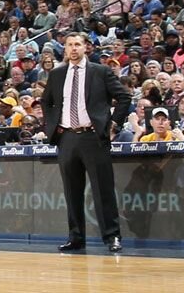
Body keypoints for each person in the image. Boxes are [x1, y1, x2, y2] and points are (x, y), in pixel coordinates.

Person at [43, 31, 132, 253]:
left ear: (86, 48)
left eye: (77, 44)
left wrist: (113, 125)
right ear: (65, 49)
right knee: (71, 191)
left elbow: (124, 97)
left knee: (103, 189)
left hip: (93, 136)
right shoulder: (57, 74)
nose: (73, 48)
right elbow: (46, 102)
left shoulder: (100, 72)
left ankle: (112, 236)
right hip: (67, 137)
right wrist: (53, 128)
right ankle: (76, 237)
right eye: (69, 45)